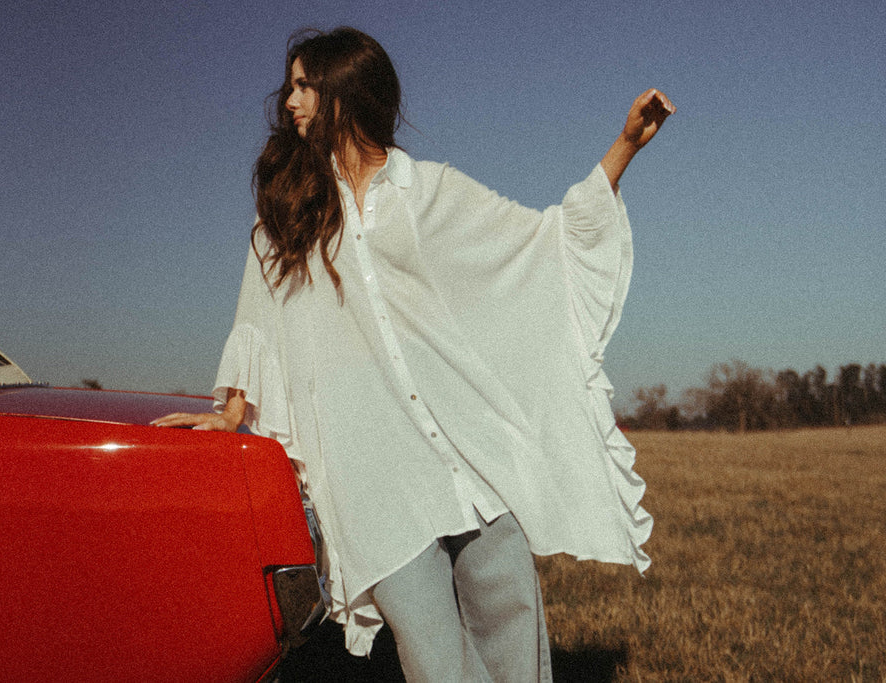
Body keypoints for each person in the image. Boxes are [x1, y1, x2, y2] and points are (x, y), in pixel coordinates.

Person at [153, 26, 674, 682]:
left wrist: (625, 145)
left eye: (304, 86)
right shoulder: (290, 217)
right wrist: (230, 415)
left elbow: (539, 244)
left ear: (347, 91)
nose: (289, 103)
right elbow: (260, 320)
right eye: (290, 88)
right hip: (371, 473)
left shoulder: (427, 189)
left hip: (469, 451)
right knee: (433, 656)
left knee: (511, 625)